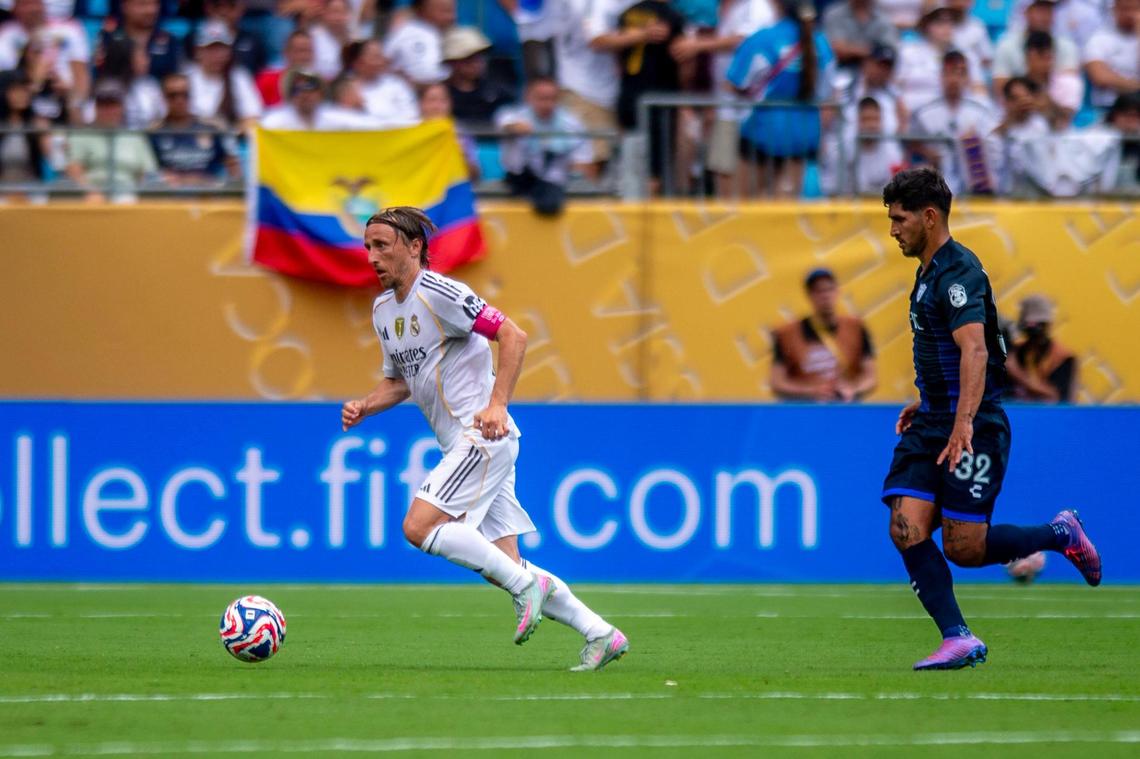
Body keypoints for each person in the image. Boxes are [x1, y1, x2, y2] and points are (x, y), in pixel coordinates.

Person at [341, 206, 629, 671]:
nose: (372, 256)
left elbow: (513, 336)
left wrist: (497, 404)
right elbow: (399, 381)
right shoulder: (382, 312)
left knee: (418, 527)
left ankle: (525, 588)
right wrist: (365, 405)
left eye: (382, 245)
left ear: (414, 247)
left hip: (483, 437)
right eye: (368, 247)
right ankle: (601, 634)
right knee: (507, 563)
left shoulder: (442, 293)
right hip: (464, 445)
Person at [880, 167, 1101, 671]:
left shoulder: (958, 271)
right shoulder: (928, 272)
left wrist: (963, 423)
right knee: (905, 526)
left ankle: (1060, 534)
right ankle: (957, 636)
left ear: (929, 217)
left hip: (972, 426)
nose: (893, 230)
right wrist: (929, 399)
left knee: (964, 546)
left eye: (899, 219)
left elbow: (975, 351)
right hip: (935, 417)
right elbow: (947, 352)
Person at [727, 0, 835, 198]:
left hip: (762, 130)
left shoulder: (763, 40)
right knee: (786, 205)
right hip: (802, 133)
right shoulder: (820, 43)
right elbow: (827, 90)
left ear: (777, 5)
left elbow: (737, 81)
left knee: (748, 204)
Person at [770, 267, 877, 400]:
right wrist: (810, 391)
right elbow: (777, 382)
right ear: (809, 295)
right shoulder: (786, 334)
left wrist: (853, 390)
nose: (825, 295)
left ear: (838, 291)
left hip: (846, 407)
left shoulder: (856, 328)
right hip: (805, 409)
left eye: (829, 289)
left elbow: (871, 378)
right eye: (818, 291)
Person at [494, 76, 594, 215]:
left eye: (552, 99)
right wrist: (518, 128)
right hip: (519, 179)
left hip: (555, 183)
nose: (548, 104)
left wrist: (578, 170)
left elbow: (583, 162)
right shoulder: (512, 115)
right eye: (542, 98)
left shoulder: (572, 125)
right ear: (528, 97)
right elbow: (505, 124)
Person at [909, 51, 999, 195]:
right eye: (949, 73)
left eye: (960, 73)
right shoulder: (924, 113)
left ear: (967, 78)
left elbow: (995, 150)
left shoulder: (981, 113)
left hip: (974, 189)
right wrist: (927, 153)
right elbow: (910, 143)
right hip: (934, 190)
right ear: (941, 76)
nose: (954, 79)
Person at [66, 78, 159, 202]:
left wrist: (141, 195)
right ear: (96, 107)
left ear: (122, 107)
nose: (108, 110)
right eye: (103, 104)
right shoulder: (81, 134)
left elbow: (146, 173)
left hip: (129, 195)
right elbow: (73, 169)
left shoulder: (135, 137)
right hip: (92, 196)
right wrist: (90, 191)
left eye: (113, 104)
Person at [149, 71, 240, 186]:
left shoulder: (210, 128)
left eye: (184, 94)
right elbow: (149, 173)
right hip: (170, 197)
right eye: (173, 95)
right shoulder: (154, 133)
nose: (179, 100)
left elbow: (232, 166)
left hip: (209, 196)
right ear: (163, 97)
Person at [185, 19, 263, 130]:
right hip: (192, 138)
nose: (217, 55)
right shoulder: (187, 77)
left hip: (229, 139)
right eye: (211, 49)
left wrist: (229, 130)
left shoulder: (239, 77)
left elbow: (253, 115)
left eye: (222, 49)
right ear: (198, 51)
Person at [992, 0, 1080, 98]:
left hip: (1054, 106)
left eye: (1048, 10)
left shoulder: (1067, 46)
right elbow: (1001, 88)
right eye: (1039, 10)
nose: (1045, 16)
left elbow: (1068, 91)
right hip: (1016, 107)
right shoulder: (1007, 45)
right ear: (1025, 12)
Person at [1005, 294, 1077, 401]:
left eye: (1037, 326)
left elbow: (1055, 397)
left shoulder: (1062, 357)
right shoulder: (1017, 352)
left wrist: (1016, 373)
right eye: (1028, 326)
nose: (1033, 332)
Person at [260, 67, 380, 128]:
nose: (304, 94)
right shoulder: (274, 123)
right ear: (290, 95)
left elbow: (370, 126)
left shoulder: (333, 117)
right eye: (297, 89)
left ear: (320, 93)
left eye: (310, 87)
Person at [442, 26, 513, 126]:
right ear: (452, 62)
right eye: (469, 58)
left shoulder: (496, 91)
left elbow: (507, 117)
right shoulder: (441, 93)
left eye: (480, 56)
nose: (477, 63)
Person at [96, 0, 181, 81]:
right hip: (118, 93)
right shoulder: (109, 38)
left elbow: (175, 77)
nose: (150, 10)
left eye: (155, 3)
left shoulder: (170, 40)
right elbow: (101, 73)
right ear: (125, 6)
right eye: (142, 4)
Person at [342, 38, 418, 126]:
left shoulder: (396, 85)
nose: (381, 61)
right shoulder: (344, 88)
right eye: (375, 57)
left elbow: (410, 116)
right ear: (358, 62)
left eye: (381, 56)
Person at [1082, 0, 1140, 109]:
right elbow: (1100, 77)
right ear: (1114, 10)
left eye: (1135, 9)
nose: (1130, 14)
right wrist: (1136, 87)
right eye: (1125, 9)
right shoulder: (1099, 39)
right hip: (1108, 108)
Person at [383, 0, 454, 85]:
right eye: (445, 11)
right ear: (424, 10)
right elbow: (384, 60)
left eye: (452, 11)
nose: (452, 17)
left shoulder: (450, 35)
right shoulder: (405, 33)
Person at [821, 0, 898, 70]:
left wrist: (852, 49)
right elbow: (840, 50)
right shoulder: (834, 14)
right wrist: (873, 51)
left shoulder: (884, 18)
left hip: (877, 71)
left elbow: (890, 51)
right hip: (843, 68)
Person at [256, 29, 314, 107]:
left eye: (308, 51)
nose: (304, 56)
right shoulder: (267, 81)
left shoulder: (320, 83)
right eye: (300, 51)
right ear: (286, 52)